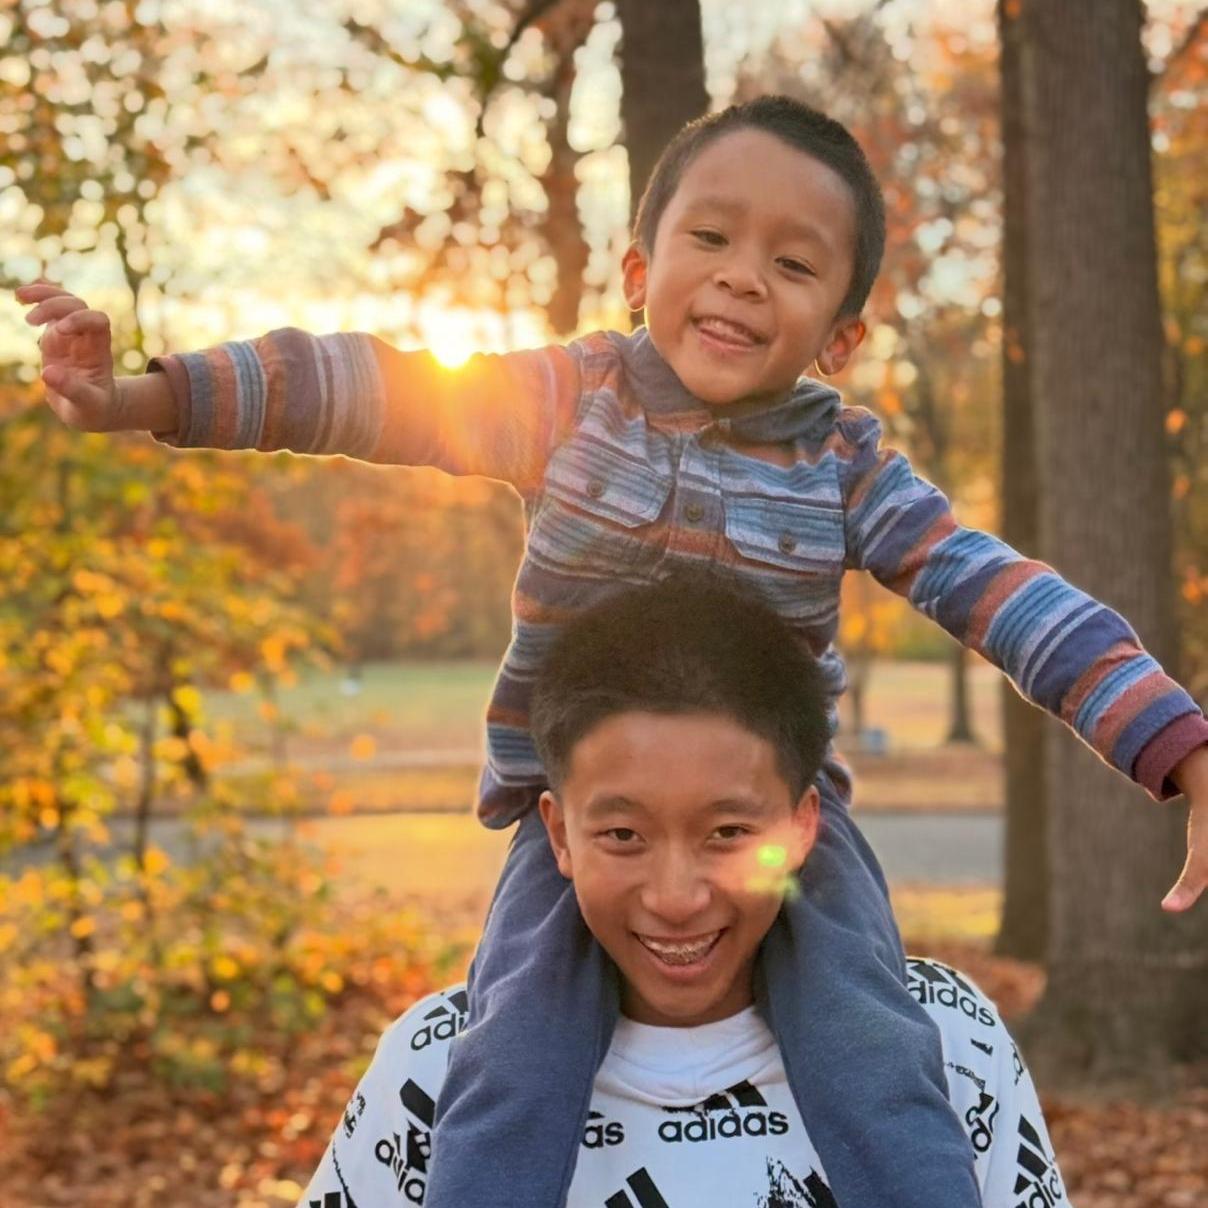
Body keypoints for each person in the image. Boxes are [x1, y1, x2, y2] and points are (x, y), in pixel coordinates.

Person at [16, 94, 1207, 1208]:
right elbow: (365, 389)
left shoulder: (845, 471)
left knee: (877, 1058)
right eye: (711, 238)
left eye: (792, 264)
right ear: (639, 272)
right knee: (511, 1066)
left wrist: (1178, 744)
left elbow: (1003, 595)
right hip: (584, 819)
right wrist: (146, 396)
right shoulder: (569, 401)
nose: (742, 276)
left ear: (839, 335)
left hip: (776, 831)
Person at [297, 574, 1070, 1208]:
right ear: (558, 834)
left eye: (727, 833)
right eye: (622, 835)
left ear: (804, 825)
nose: (675, 898)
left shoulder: (952, 1041)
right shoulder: (436, 1065)